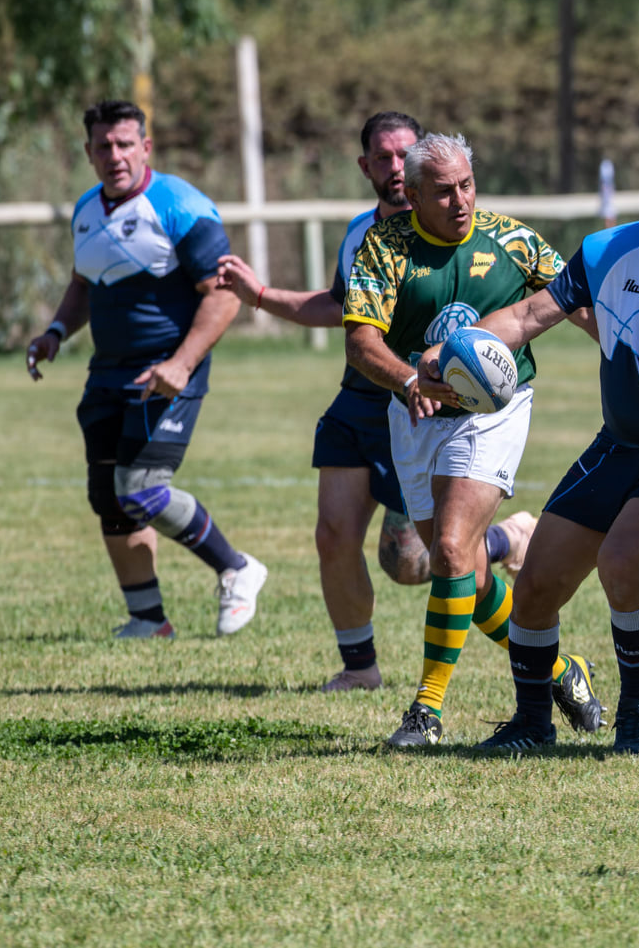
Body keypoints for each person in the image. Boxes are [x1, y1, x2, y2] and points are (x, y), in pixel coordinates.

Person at [420, 147, 639, 755]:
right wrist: (453, 348)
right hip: (620, 446)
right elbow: (528, 315)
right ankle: (533, 724)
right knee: (536, 587)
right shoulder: (608, 252)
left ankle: (638, 715)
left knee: (622, 563)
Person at [214, 111, 553, 695]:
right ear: (367, 166)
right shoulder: (365, 238)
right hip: (370, 398)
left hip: (448, 406)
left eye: (404, 155)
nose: (394, 167)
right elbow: (342, 309)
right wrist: (263, 297)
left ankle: (504, 546)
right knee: (335, 534)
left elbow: (564, 298)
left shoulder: (500, 238)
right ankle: (360, 666)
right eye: (384, 158)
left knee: (421, 560)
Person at [341, 132, 591, 748]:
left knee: (451, 552)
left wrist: (633, 357)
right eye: (444, 192)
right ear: (413, 194)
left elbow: (581, 301)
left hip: (495, 410)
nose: (460, 201)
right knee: (467, 576)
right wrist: (408, 380)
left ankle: (425, 711)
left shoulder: (511, 239)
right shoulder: (385, 245)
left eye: (467, 186)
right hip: (417, 412)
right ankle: (562, 671)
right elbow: (361, 342)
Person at [25, 100, 267, 638]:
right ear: (89, 152)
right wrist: (55, 332)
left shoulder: (181, 205)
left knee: (139, 489)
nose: (115, 155)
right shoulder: (86, 209)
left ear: (145, 147)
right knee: (108, 496)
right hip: (107, 373)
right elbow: (83, 283)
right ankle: (148, 619)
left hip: (168, 373)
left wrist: (181, 364)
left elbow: (224, 295)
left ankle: (236, 567)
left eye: (125, 144)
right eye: (104, 146)